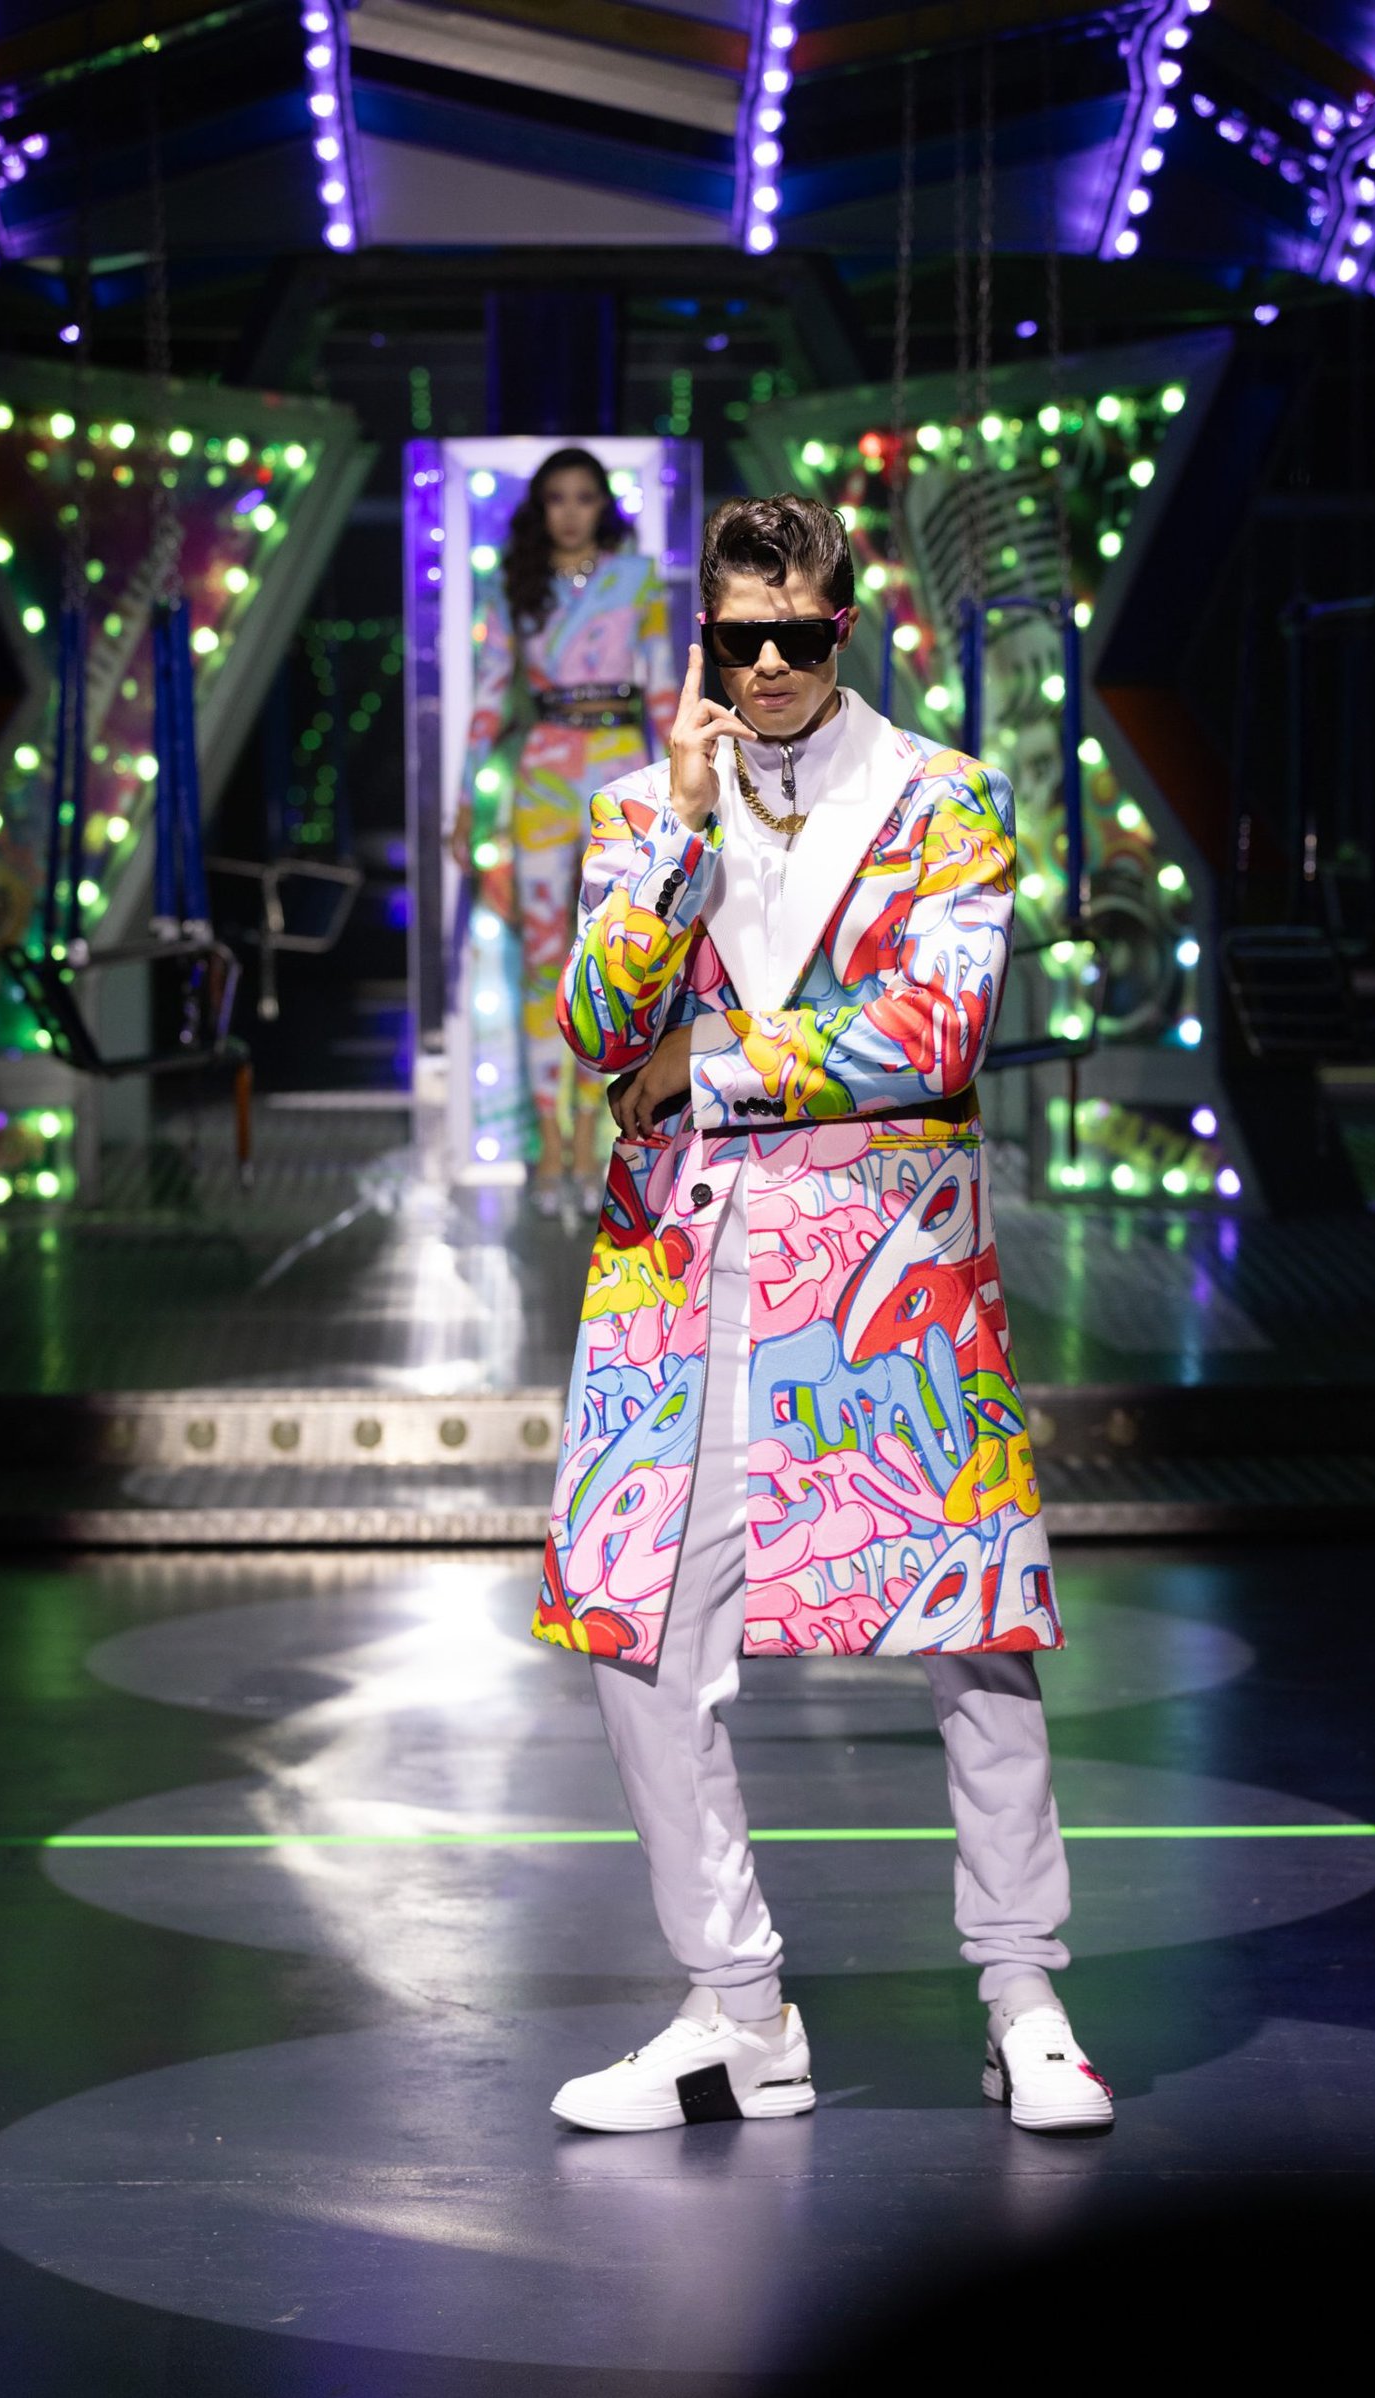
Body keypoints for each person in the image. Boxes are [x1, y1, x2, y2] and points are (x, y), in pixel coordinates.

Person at [535, 492, 1111, 2136]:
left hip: (884, 1274)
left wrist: (709, 1064)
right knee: (639, 1638)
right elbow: (595, 1024)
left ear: (843, 625)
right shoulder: (642, 805)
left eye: (798, 632)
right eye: (742, 638)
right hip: (679, 1277)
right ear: (706, 641)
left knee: (975, 1639)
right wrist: (677, 835)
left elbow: (936, 1032)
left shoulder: (944, 797)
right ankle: (735, 2009)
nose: (772, 662)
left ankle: (1024, 1995)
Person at [453, 447, 677, 1213]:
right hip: (544, 780)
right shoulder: (513, 586)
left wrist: (685, 797)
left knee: (613, 957)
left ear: (603, 504)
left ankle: (593, 1132)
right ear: (540, 509)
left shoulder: (637, 580)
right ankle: (550, 1137)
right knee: (545, 961)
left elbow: (662, 692)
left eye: (585, 496)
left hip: (621, 777)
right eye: (557, 497)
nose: (572, 511)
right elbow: (489, 699)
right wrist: (468, 803)